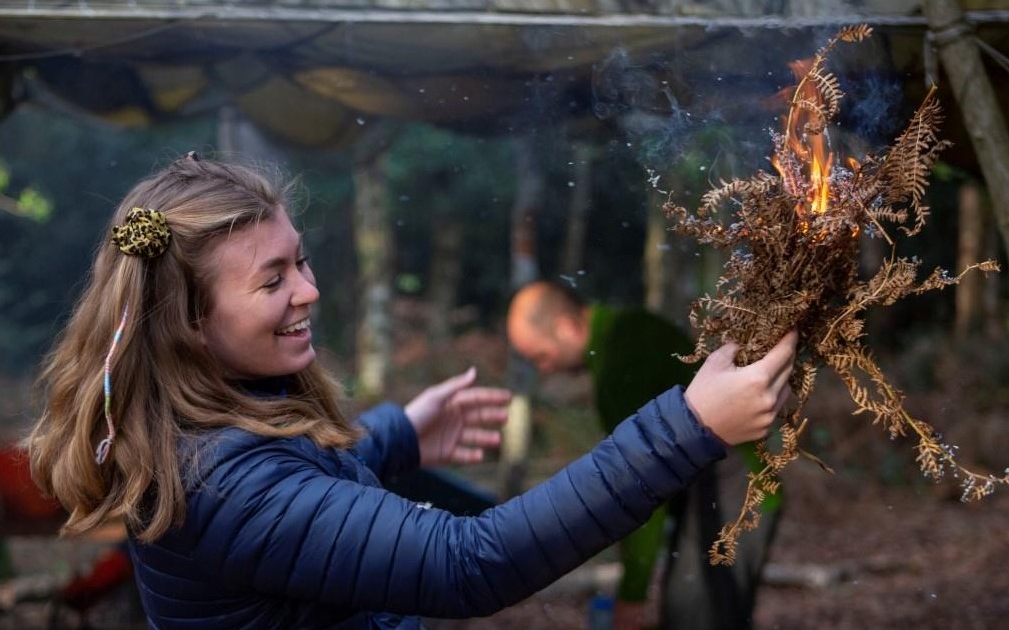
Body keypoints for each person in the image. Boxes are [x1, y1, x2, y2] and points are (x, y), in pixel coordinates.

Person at [27, 153, 797, 630]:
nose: (309, 290)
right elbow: (471, 561)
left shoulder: (212, 424)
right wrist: (687, 424)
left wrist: (395, 433)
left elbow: (297, 490)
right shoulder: (222, 486)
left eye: (300, 260)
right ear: (189, 321)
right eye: (273, 280)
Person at [507, 281, 782, 630]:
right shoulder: (630, 329)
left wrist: (632, 596)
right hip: (729, 488)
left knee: (693, 618)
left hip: (736, 494)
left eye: (540, 357)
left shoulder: (618, 359)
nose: (544, 369)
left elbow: (641, 489)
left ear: (566, 327)